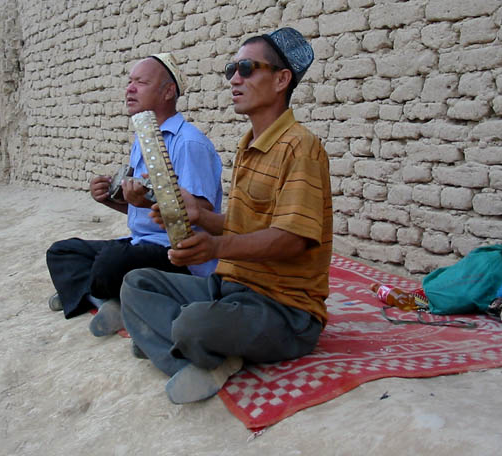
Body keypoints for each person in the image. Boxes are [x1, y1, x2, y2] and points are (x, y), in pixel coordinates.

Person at [120, 27, 332, 404]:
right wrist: (199, 214)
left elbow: (291, 238)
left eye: (247, 68)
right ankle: (200, 352)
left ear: (282, 79)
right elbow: (245, 226)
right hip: (233, 288)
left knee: (192, 324)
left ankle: (180, 346)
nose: (235, 77)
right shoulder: (249, 145)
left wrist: (216, 245)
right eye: (231, 68)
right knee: (135, 284)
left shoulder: (301, 146)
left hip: (285, 309)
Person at [46, 52, 223, 338]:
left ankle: (94, 295)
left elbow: (201, 217)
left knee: (110, 262)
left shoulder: (189, 143)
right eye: (130, 82)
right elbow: (140, 212)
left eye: (140, 82)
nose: (129, 89)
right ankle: (105, 299)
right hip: (142, 243)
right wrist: (110, 200)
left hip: (179, 256)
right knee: (62, 251)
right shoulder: (144, 140)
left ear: (167, 92)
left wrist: (148, 201)